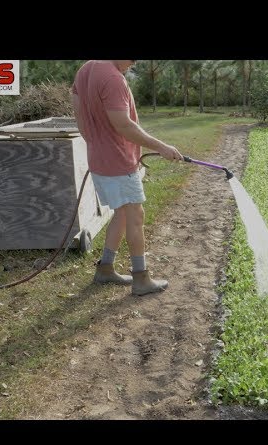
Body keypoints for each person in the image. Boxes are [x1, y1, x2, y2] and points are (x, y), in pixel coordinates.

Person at [71, 60, 184, 295]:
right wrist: (162, 146)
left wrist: (94, 141)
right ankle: (141, 278)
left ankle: (105, 268)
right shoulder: (113, 78)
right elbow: (124, 126)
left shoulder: (87, 68)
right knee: (135, 216)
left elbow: (76, 103)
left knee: (122, 212)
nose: (133, 63)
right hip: (118, 162)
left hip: (100, 158)